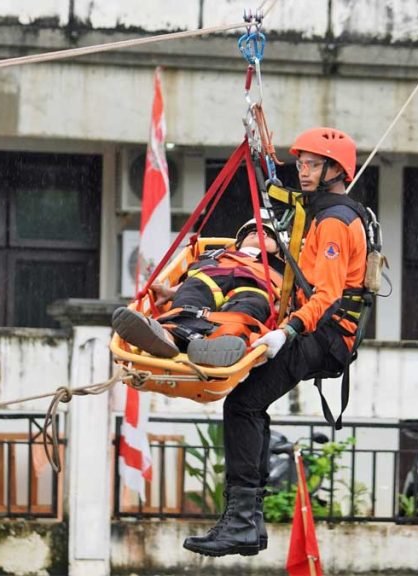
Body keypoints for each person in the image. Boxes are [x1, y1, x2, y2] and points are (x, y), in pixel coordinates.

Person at [182, 127, 369, 557]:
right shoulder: (322, 212)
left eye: (311, 164)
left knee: (243, 404)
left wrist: (286, 332)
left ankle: (245, 522)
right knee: (250, 403)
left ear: (335, 170)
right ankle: (250, 523)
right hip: (316, 331)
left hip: (322, 335)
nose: (301, 171)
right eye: (300, 163)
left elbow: (328, 295)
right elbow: (284, 195)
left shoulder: (337, 221)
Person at [112, 219, 283, 368]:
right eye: (252, 231)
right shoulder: (218, 256)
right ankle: (167, 336)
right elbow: (189, 284)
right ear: (238, 243)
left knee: (247, 307)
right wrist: (170, 291)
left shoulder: (284, 270)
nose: (258, 233)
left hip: (254, 286)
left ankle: (220, 343)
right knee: (192, 293)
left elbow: (289, 301)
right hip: (210, 279)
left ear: (279, 250)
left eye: (268, 234)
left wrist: (281, 313)